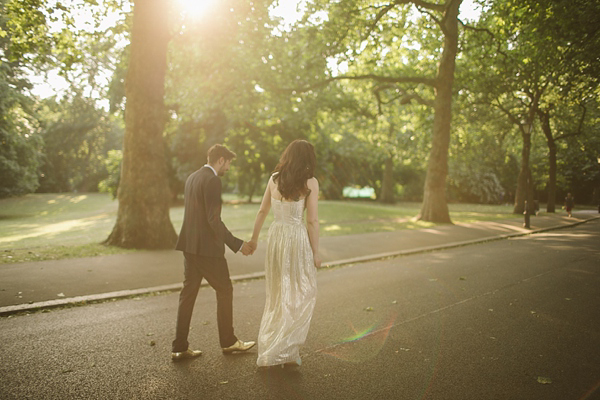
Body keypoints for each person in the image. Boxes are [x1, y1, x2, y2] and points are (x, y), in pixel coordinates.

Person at [171, 144, 256, 361]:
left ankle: (180, 347)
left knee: (187, 295)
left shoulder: (192, 178)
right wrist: (238, 244)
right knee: (225, 290)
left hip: (189, 247)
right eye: (228, 163)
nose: (228, 168)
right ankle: (228, 342)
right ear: (220, 160)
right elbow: (213, 220)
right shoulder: (213, 181)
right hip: (208, 251)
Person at [249, 139, 321, 368]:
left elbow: (262, 210)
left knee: (278, 294)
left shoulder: (274, 179)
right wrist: (316, 252)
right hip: (295, 238)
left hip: (276, 237)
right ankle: (286, 350)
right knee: (301, 292)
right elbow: (312, 220)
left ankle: (275, 350)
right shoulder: (310, 182)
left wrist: (254, 239)